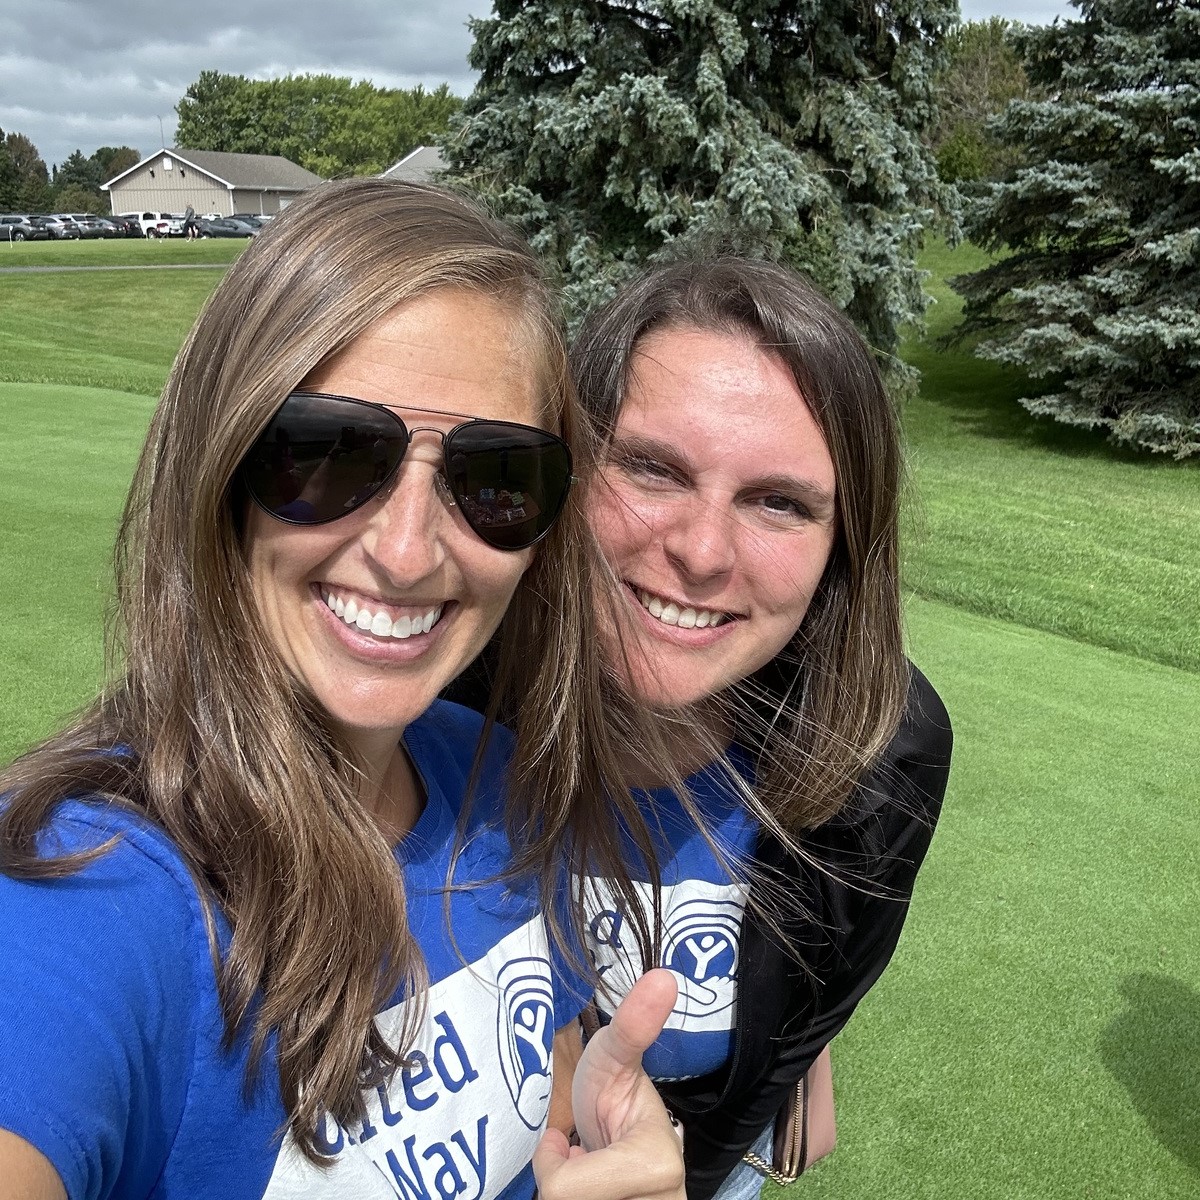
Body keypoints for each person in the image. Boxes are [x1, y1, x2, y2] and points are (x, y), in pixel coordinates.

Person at [0, 179, 685, 1200]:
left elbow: (550, 1077)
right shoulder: (82, 888)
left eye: (496, 477)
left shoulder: (491, 778)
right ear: (220, 466)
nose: (408, 554)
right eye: (323, 455)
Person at [568, 257, 955, 1200]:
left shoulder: (885, 756)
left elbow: (798, 1021)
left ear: (839, 550)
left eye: (779, 502)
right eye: (652, 469)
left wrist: (687, 1180)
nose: (701, 553)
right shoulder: (444, 692)